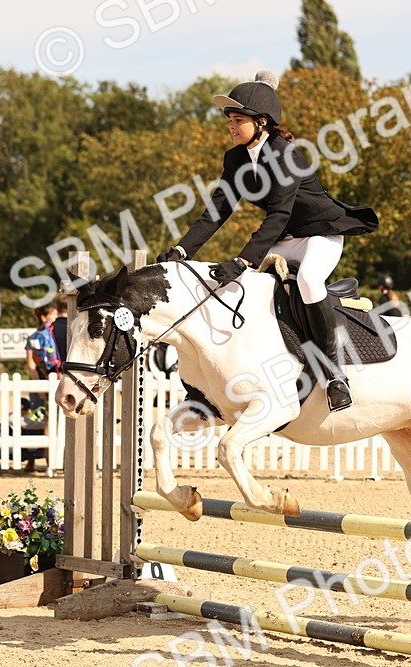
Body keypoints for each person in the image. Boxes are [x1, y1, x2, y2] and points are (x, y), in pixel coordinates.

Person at [154, 70, 378, 412]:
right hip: (286, 238)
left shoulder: (285, 153)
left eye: (238, 119)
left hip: (320, 233)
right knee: (244, 288)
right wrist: (182, 250)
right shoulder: (235, 159)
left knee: (306, 279)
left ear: (261, 122)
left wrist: (242, 259)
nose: (231, 126)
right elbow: (217, 210)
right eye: (229, 119)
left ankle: (334, 375)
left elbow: (278, 214)